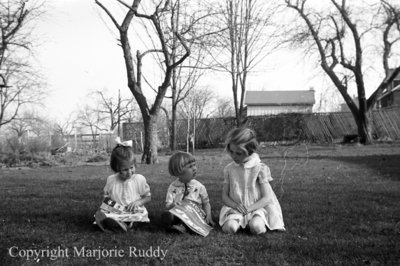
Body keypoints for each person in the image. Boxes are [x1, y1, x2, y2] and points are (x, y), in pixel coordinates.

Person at [219, 127, 285, 235]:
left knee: (256, 227)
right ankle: (238, 221)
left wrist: (249, 209)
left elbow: (267, 198)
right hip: (236, 208)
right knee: (229, 228)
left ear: (250, 151)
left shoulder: (260, 169)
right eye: (231, 152)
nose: (234, 156)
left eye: (239, 153)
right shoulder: (229, 169)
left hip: (256, 208)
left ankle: (258, 222)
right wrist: (235, 206)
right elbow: (224, 196)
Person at [94, 137, 151, 233]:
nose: (129, 172)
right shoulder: (111, 180)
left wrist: (138, 202)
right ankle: (117, 223)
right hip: (116, 211)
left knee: (138, 217)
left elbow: (148, 197)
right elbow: (106, 197)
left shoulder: (138, 179)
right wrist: (107, 202)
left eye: (131, 167)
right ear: (116, 168)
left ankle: (122, 224)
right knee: (103, 214)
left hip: (133, 211)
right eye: (125, 170)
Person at [162, 151, 215, 233]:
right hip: (179, 213)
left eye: (194, 165)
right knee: (171, 214)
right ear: (179, 171)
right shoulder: (173, 187)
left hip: (196, 214)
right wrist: (172, 205)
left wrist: (208, 215)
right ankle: (171, 221)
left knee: (189, 216)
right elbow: (168, 205)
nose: (194, 168)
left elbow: (206, 203)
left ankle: (181, 227)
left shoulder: (199, 186)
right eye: (190, 166)